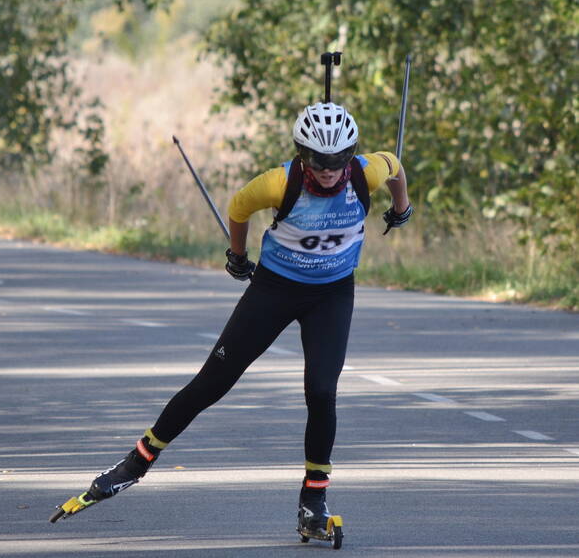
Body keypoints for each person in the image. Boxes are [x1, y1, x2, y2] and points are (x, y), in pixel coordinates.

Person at [67, 102, 412, 539]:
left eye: (338, 161)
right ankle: (135, 463)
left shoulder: (367, 173)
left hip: (332, 294)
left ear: (352, 155)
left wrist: (402, 207)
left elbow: (396, 166)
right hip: (274, 290)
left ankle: (314, 499)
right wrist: (238, 256)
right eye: (319, 162)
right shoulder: (277, 183)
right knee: (214, 381)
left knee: (322, 391)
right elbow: (237, 208)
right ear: (302, 154)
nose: (329, 172)